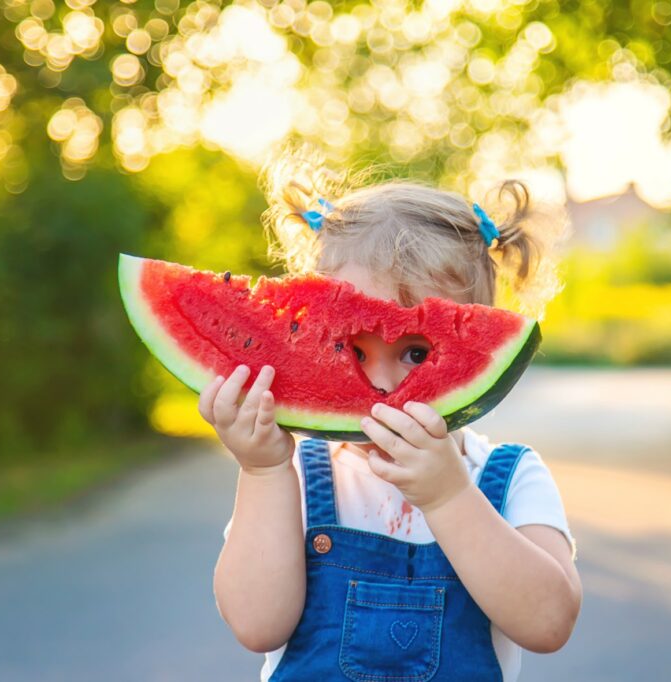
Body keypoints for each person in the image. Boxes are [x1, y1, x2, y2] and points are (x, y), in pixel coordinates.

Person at [204, 148, 581, 681]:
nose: (380, 385)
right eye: (352, 350)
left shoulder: (510, 476)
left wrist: (449, 496)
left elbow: (549, 623)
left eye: (416, 353)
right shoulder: (297, 478)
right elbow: (255, 625)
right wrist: (262, 470)